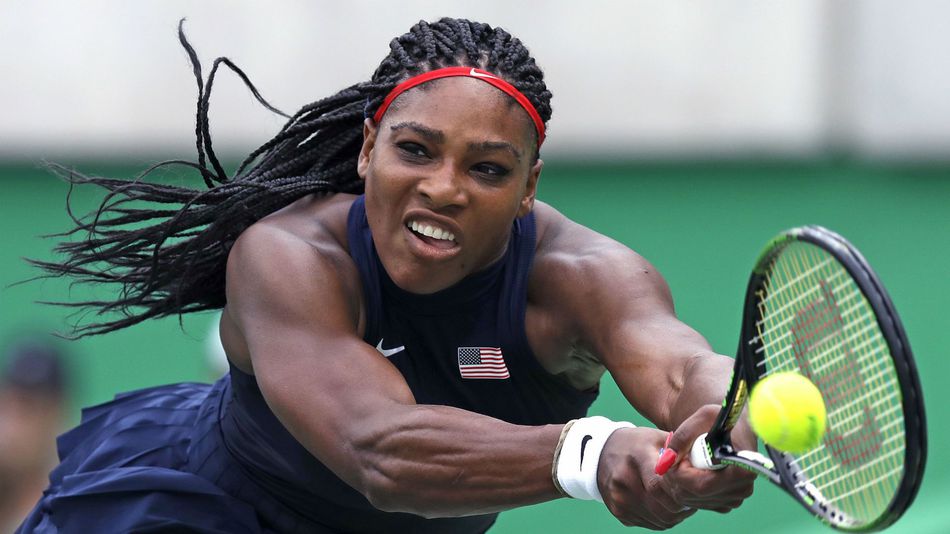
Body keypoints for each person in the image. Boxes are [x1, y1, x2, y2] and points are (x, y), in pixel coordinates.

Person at [20, 17, 755, 533]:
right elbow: (381, 450)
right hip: (193, 513)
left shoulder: (584, 276)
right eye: (416, 151)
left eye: (488, 169)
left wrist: (733, 418)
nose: (444, 187)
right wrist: (590, 454)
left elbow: (682, 364)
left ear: (528, 187)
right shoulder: (288, 255)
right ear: (370, 149)